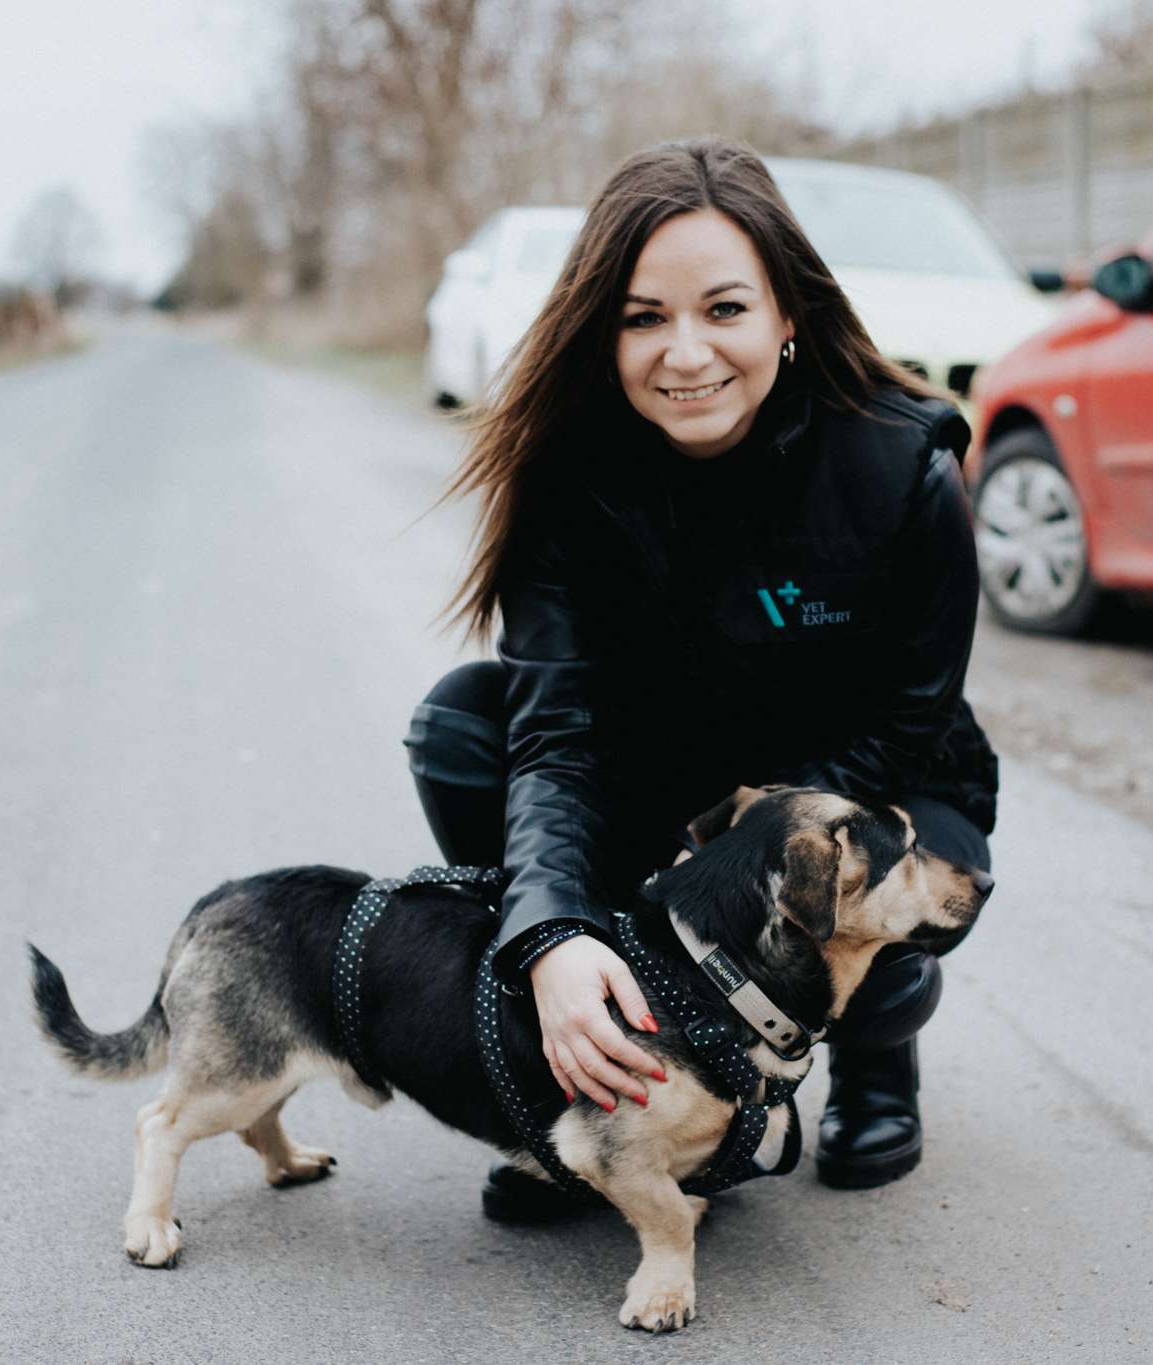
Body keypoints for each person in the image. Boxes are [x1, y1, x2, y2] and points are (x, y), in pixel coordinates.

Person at [406, 137, 998, 1220]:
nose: (685, 353)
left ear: (787, 313)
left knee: (880, 901)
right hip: (668, 785)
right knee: (459, 728)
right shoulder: (565, 478)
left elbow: (908, 726)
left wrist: (740, 853)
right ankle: (609, 1076)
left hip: (874, 791)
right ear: (604, 332)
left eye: (724, 309)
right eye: (644, 318)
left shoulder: (903, 466)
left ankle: (875, 1050)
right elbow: (553, 740)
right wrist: (550, 935)